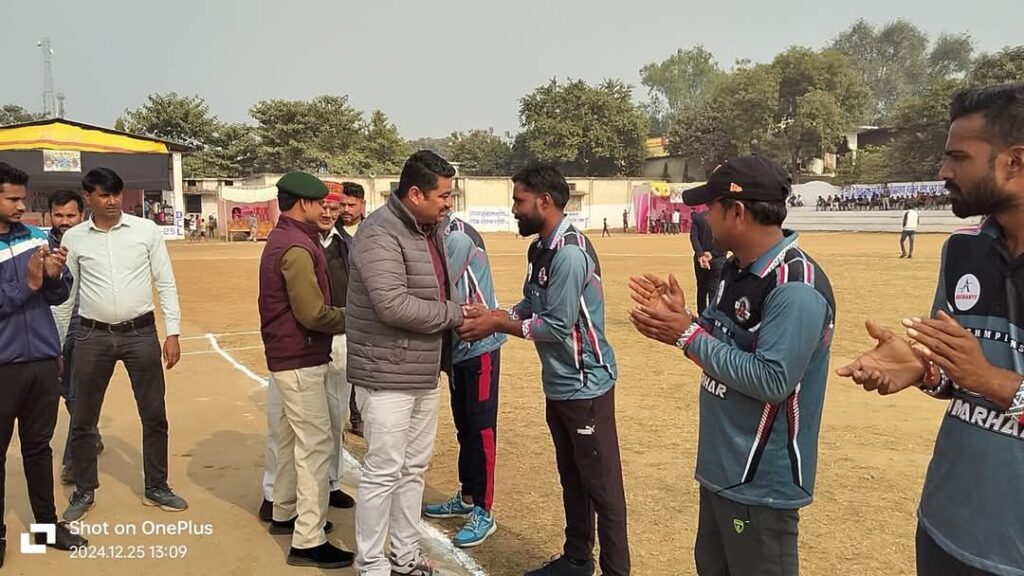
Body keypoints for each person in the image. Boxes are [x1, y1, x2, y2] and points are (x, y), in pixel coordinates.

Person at [837, 84, 1024, 576]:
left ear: (1015, 162)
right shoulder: (963, 250)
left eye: (958, 157)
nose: (943, 171)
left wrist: (992, 380)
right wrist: (925, 371)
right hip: (945, 528)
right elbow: (959, 382)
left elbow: (984, 378)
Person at [630, 156, 835, 576]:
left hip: (760, 483)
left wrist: (687, 336)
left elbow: (772, 379)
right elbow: (717, 335)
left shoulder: (795, 287)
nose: (705, 218)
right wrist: (684, 319)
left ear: (737, 212)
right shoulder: (736, 269)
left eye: (711, 207)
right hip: (723, 468)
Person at [457, 164, 629, 576]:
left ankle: (616, 570)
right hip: (560, 385)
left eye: (519, 200)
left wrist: (497, 324)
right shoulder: (540, 249)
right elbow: (530, 305)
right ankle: (576, 558)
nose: (514, 209)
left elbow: (556, 326)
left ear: (544, 201)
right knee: (572, 477)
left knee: (603, 489)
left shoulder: (569, 253)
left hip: (586, 387)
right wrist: (497, 313)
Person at [346, 151, 488, 576]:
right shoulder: (378, 232)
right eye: (443, 195)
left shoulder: (431, 229)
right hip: (386, 373)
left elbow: (436, 288)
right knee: (383, 471)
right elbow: (392, 305)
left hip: (423, 369)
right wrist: (455, 314)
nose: (449, 203)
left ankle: (404, 555)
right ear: (414, 194)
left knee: (412, 469)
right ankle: (371, 563)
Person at [61, 167, 187, 522]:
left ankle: (157, 485)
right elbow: (66, 296)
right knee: (83, 418)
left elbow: (165, 282)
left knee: (154, 414)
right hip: (91, 336)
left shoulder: (145, 231)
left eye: (116, 194)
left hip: (140, 334)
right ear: (88, 197)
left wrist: (172, 332)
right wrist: (58, 345)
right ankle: (84, 490)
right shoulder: (74, 238)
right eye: (103, 195)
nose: (112, 201)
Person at [258, 172, 353, 569]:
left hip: (288, 355)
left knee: (287, 438)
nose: (325, 210)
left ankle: (284, 511)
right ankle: (308, 539)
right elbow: (312, 313)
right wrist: (354, 318)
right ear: (303, 204)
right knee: (315, 445)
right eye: (320, 204)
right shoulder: (296, 246)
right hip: (300, 356)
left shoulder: (286, 238)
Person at [0, 164, 88, 568]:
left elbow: (58, 293)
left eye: (23, 198)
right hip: (3, 367)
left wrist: (53, 277)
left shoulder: (37, 238)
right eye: (13, 199)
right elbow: (21, 292)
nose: (22, 206)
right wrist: (30, 284)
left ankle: (47, 528)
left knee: (38, 448)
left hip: (41, 363)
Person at [423, 216, 507, 548]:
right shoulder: (435, 235)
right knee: (465, 427)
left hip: (480, 346)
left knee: (482, 429)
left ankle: (484, 511)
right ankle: (468, 496)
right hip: (459, 348)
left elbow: (435, 292)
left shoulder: (455, 238)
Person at [47, 189, 103, 486]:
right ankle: (91, 433)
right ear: (50, 216)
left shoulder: (94, 242)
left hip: (86, 329)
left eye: (70, 215)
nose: (64, 221)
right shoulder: (40, 246)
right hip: (52, 330)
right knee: (63, 390)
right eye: (58, 215)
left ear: (81, 214)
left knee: (78, 395)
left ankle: (72, 461)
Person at [336, 182, 366, 438]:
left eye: (351, 205)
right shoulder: (330, 232)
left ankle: (357, 417)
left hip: (365, 308)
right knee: (337, 367)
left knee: (359, 365)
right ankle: (337, 419)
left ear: (362, 205)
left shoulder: (373, 230)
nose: (346, 209)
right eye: (342, 204)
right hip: (338, 307)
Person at [689, 210, 727, 314]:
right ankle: (712, 316)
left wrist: (700, 254)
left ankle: (701, 315)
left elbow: (694, 237)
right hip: (718, 260)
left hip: (701, 261)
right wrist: (713, 253)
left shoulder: (698, 217)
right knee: (714, 291)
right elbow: (727, 238)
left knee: (701, 289)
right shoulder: (724, 217)